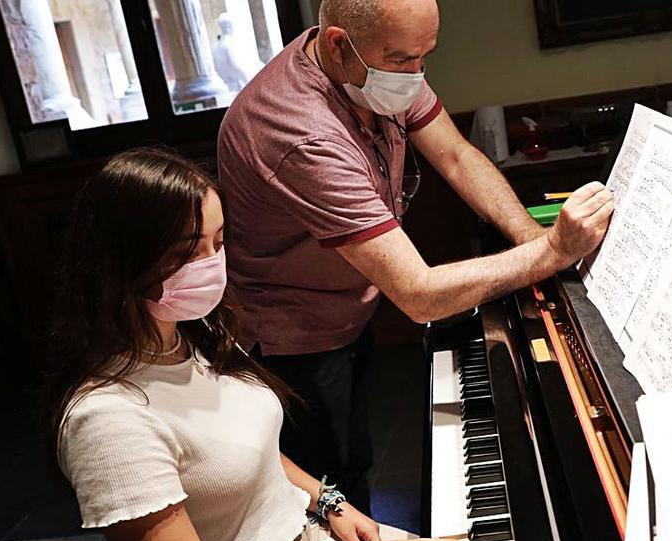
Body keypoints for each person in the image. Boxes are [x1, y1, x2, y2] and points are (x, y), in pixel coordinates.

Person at [215, 0, 614, 512]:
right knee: (330, 487)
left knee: (353, 457)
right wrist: (554, 250)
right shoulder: (299, 130)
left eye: (426, 56)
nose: (416, 73)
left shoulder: (374, 65)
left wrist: (527, 237)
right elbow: (420, 295)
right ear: (338, 43)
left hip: (345, 302)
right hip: (290, 335)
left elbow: (456, 154)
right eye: (404, 60)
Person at [41, 148, 470, 541]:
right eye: (189, 251)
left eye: (220, 241)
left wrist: (328, 502)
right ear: (123, 261)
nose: (212, 263)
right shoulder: (107, 421)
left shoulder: (197, 336)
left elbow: (249, 451)